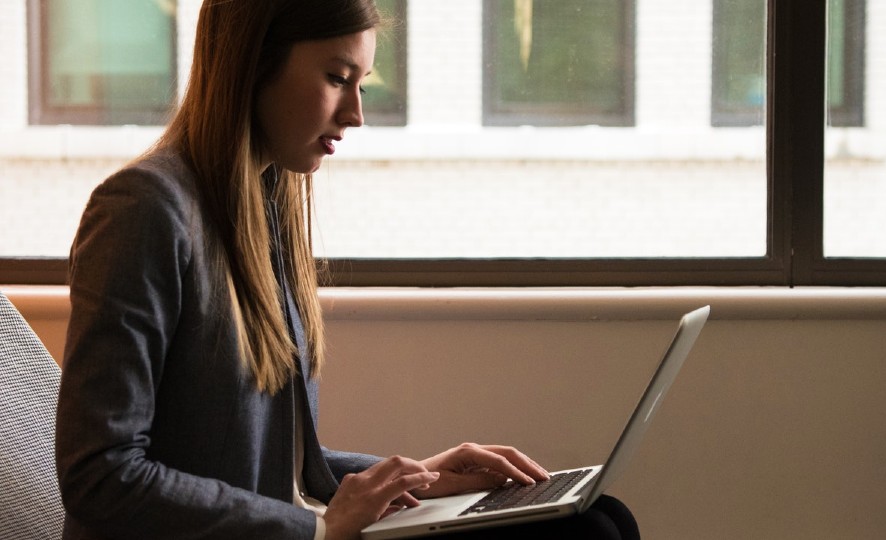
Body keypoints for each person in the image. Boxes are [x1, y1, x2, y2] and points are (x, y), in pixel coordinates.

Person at [54, 1, 641, 539]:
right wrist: (319, 532)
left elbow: (273, 467)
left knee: (600, 514)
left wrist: (419, 480)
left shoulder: (265, 203)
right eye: (337, 78)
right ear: (252, 64)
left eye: (361, 82)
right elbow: (100, 476)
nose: (356, 114)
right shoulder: (143, 211)